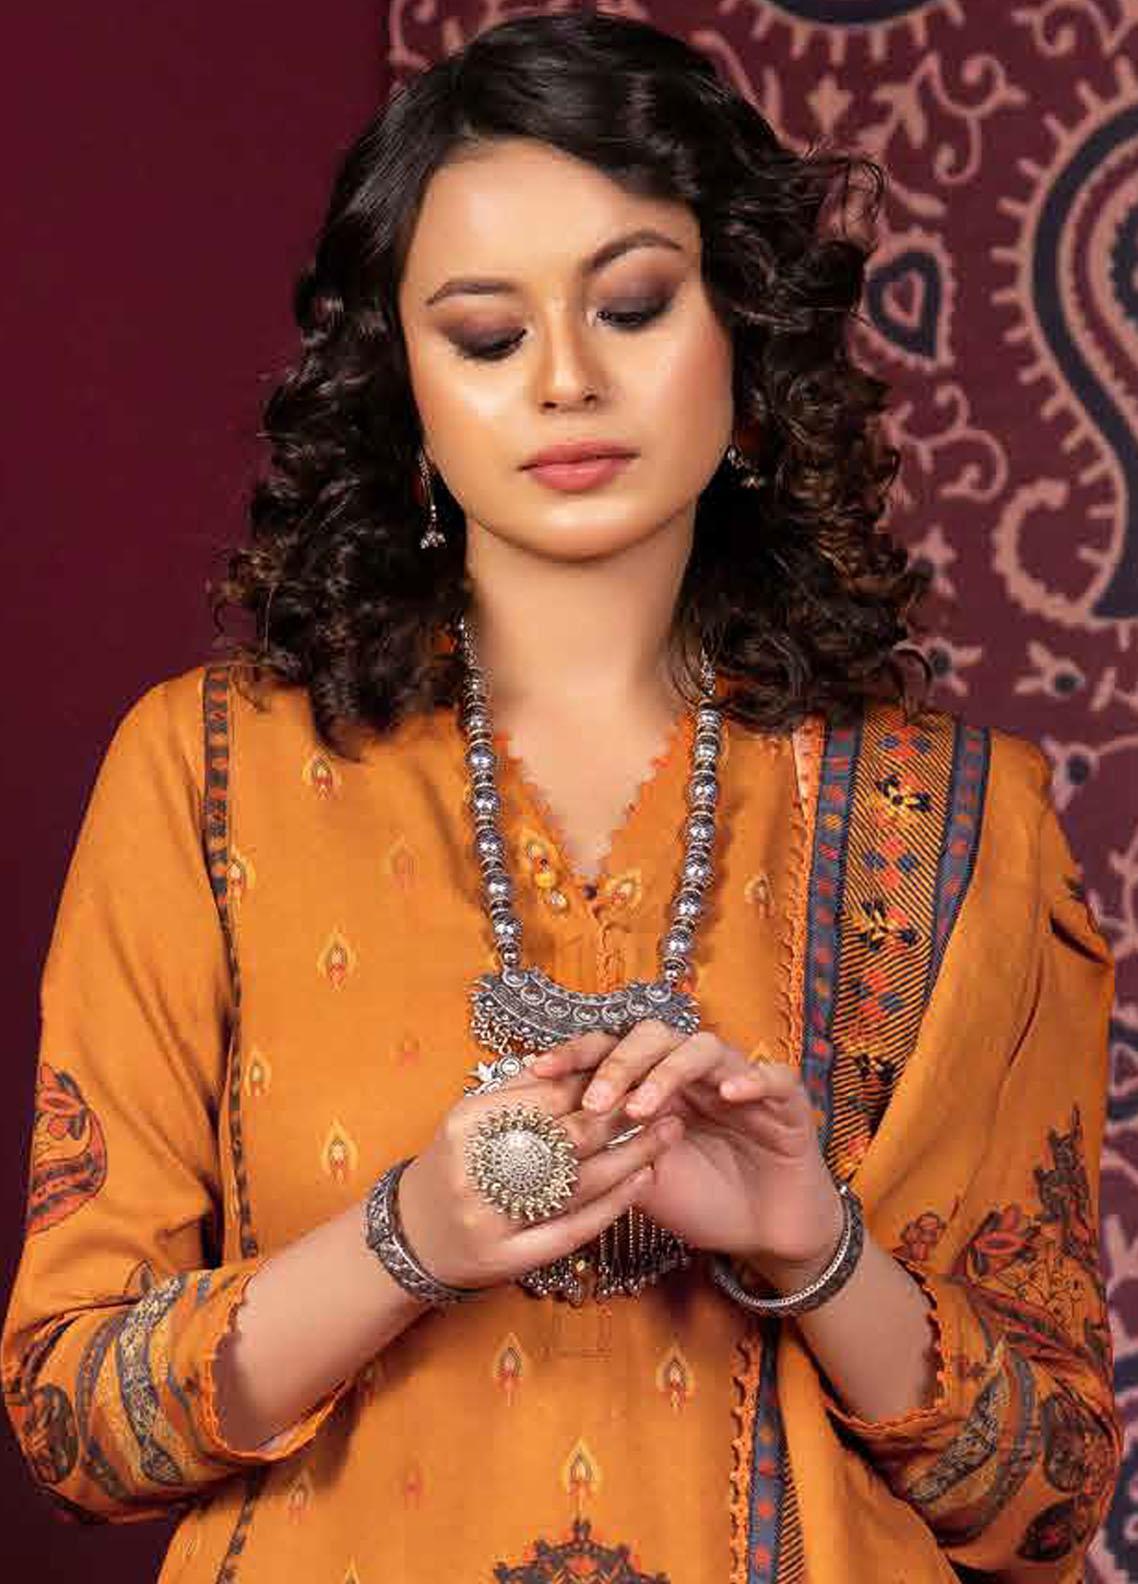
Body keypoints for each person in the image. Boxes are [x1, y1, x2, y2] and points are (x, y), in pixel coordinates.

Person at [1, 13, 1121, 1582]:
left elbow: (1049, 1498)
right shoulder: (206, 775)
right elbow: (78, 1425)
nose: (567, 380)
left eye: (633, 306)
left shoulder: (953, 821)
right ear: (401, 386)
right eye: (484, 335)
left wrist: (814, 1248)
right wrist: (409, 1240)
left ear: (743, 339)